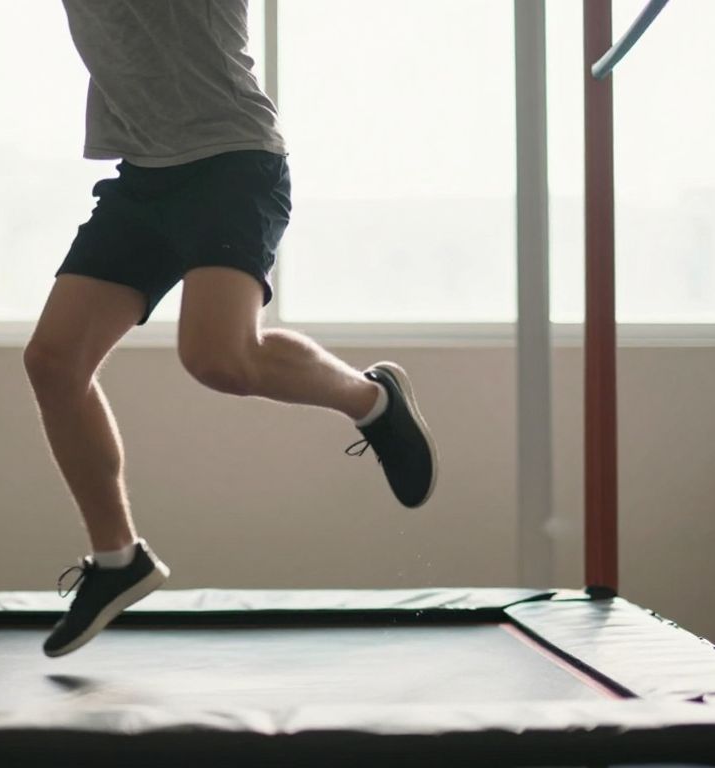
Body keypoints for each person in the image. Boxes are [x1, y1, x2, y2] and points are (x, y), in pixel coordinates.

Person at [25, 0, 438, 658]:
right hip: (143, 181)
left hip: (232, 165)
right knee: (53, 362)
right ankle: (117, 561)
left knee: (220, 358)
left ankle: (373, 400)